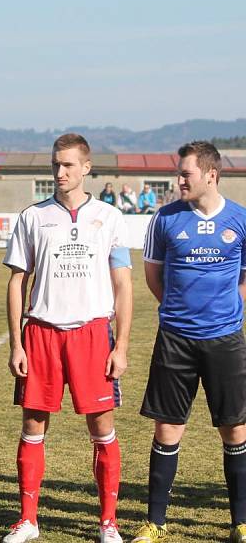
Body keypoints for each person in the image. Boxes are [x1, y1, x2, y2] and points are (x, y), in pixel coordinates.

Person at [2, 133, 132, 543]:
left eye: (69, 165)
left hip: (92, 335)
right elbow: (16, 282)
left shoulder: (109, 218)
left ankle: (107, 522)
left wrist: (122, 346)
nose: (60, 172)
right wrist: (16, 343)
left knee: (102, 427)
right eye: (56, 164)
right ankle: (28, 520)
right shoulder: (32, 216)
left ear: (86, 168)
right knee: (33, 425)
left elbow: (124, 286)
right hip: (41, 333)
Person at [133, 141, 246, 543]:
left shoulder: (240, 219)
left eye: (186, 174)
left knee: (234, 429)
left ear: (211, 175)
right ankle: (155, 523)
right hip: (175, 340)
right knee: (167, 428)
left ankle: (240, 523)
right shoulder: (165, 220)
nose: (179, 179)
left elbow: (245, 276)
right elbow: (152, 275)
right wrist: (179, 310)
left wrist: (228, 308)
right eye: (179, 173)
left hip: (226, 340)